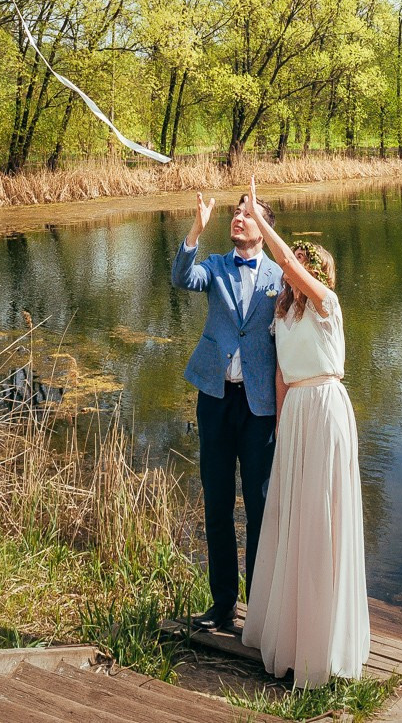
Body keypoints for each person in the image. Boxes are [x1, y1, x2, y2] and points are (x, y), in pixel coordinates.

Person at [240, 177, 370, 687]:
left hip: (326, 409)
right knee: (293, 517)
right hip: (294, 415)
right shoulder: (285, 314)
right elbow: (278, 374)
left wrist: (260, 217)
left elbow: (289, 266)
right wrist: (277, 424)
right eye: (293, 263)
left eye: (300, 263)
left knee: (323, 518)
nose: (290, 268)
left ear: (315, 272)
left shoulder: (326, 307)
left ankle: (325, 647)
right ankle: (293, 637)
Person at [171, 190, 285, 630]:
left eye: (248, 213)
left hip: (259, 408)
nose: (238, 219)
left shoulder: (280, 276)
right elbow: (181, 278)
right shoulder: (216, 266)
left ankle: (257, 613)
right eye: (236, 213)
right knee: (217, 505)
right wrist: (196, 228)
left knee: (258, 511)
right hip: (215, 401)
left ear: (263, 226)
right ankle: (222, 607)